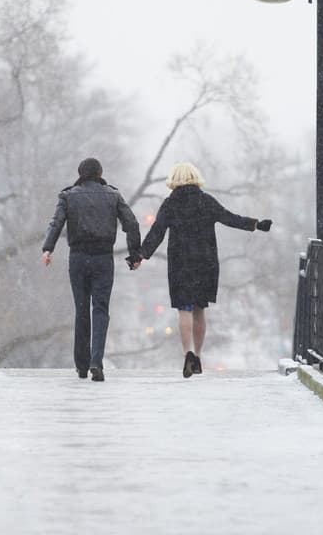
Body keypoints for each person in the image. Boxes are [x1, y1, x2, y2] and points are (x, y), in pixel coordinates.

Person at [140, 162, 271, 378]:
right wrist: (256, 224)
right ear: (195, 177)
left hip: (180, 263)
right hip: (205, 262)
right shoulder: (206, 201)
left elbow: (157, 233)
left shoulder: (170, 204)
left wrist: (140, 255)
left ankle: (188, 354)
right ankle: (198, 357)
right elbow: (230, 218)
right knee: (199, 309)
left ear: (174, 180)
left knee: (184, 309)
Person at [42, 157, 142, 382]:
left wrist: (48, 248)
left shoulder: (68, 196)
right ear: (100, 173)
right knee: (100, 309)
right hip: (103, 258)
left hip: (78, 258)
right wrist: (134, 254)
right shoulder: (113, 195)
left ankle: (82, 365)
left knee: (81, 310)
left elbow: (56, 223)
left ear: (80, 173)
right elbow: (132, 223)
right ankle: (96, 361)